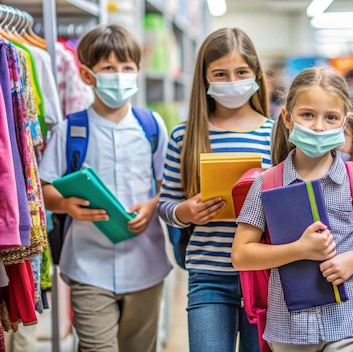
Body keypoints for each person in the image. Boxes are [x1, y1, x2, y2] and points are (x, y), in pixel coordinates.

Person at [232, 67, 353, 352]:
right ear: (287, 117)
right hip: (289, 328)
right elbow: (241, 255)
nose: (319, 127)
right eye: (307, 115)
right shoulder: (265, 184)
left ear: (343, 123)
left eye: (330, 117)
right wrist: (300, 250)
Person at [38, 25, 171, 352]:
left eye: (127, 68)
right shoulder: (70, 129)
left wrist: (153, 204)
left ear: (138, 73)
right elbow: (43, 190)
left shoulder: (151, 126)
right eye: (109, 68)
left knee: (139, 347)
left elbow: (168, 184)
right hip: (87, 265)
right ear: (86, 75)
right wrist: (68, 206)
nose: (119, 75)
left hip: (146, 263)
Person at [156, 27, 272, 352]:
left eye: (241, 73)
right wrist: (184, 211)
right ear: (204, 79)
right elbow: (166, 204)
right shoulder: (184, 136)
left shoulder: (275, 134)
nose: (232, 81)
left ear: (256, 75)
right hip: (207, 273)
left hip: (263, 273)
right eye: (220, 74)